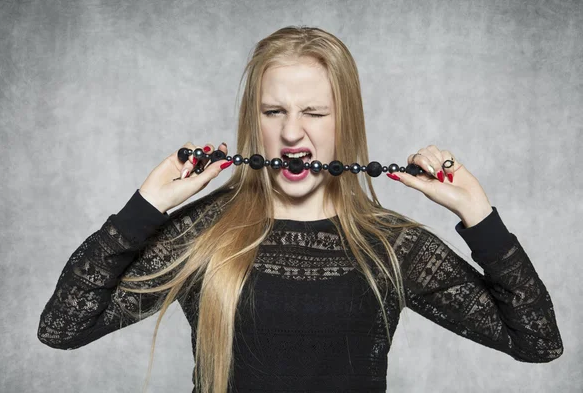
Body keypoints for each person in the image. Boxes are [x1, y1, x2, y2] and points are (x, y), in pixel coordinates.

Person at [37, 26, 563, 393]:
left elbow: (538, 341)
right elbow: (61, 327)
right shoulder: (204, 232)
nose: (292, 133)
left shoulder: (391, 246)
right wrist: (143, 207)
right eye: (274, 111)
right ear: (254, 120)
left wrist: (480, 216)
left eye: (314, 112)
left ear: (345, 121)